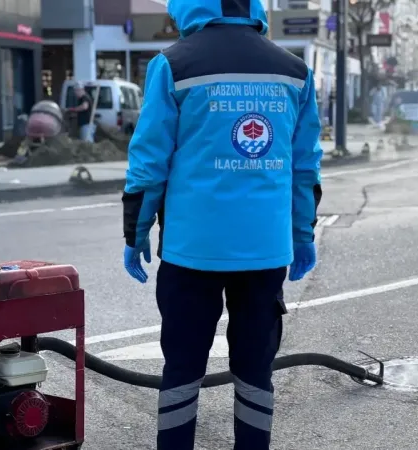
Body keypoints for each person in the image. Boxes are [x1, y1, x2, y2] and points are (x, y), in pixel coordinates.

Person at [120, 0, 323, 448]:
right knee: (255, 370)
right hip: (265, 253)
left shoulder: (173, 65)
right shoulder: (294, 71)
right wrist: (302, 234)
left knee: (182, 369)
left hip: (192, 252)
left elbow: (149, 162)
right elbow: (304, 165)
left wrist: (135, 232)